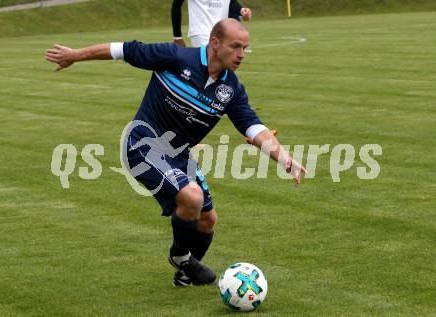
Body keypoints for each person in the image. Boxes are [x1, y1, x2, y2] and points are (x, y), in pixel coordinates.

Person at [45, 18, 306, 287]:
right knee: (191, 197)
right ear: (215, 43)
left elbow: (252, 126)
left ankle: (184, 276)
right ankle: (180, 257)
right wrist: (75, 55)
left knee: (208, 219)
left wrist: (284, 158)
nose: (241, 54)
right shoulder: (175, 57)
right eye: (235, 46)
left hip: (179, 155)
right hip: (142, 146)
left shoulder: (231, 90)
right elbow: (122, 49)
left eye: (245, 47)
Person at [171, 0, 252, 48]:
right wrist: (177, 37)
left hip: (223, 33)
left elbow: (231, 3)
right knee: (208, 68)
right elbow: (176, 5)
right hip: (201, 33)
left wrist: (242, 11)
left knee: (223, 70)